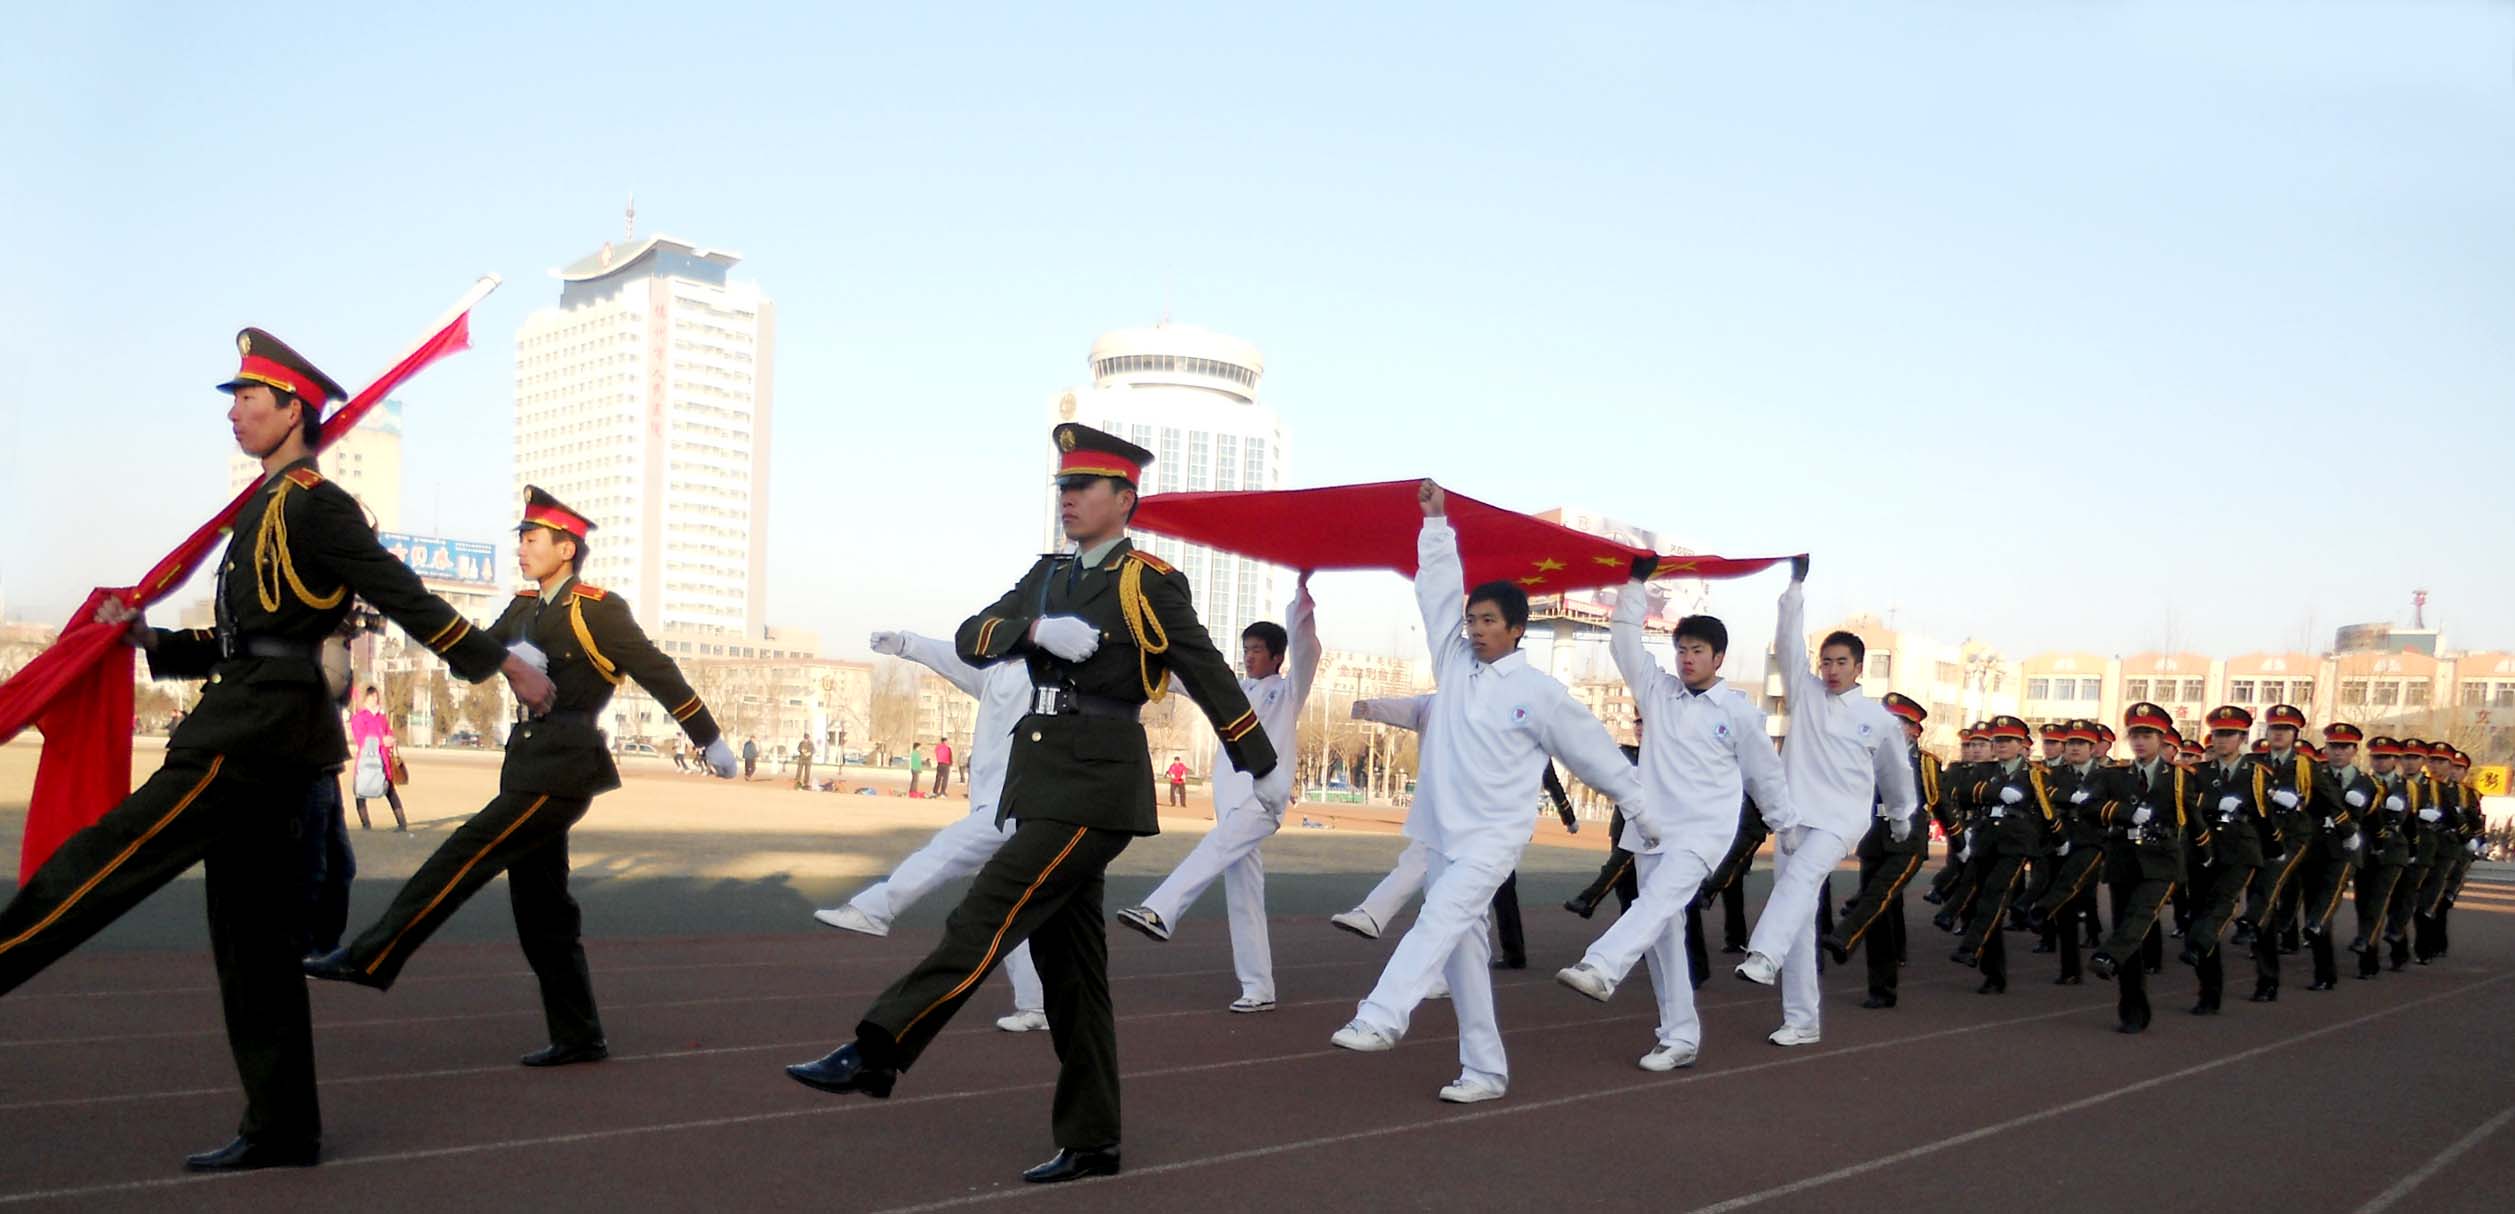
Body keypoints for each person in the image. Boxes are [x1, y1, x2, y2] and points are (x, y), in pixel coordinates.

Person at [0, 328, 551, 1172]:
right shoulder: (261, 507)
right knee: (253, 943)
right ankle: (284, 1126)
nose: (236, 412)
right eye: (234, 399)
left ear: (296, 409)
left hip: (252, 736)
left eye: (250, 397)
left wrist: (497, 660)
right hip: (266, 726)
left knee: (108, 860)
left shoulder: (313, 504)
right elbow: (240, 638)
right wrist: (149, 639)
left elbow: (396, 590)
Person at [783, 424, 1278, 1185]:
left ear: (1125, 498)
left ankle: (878, 1049)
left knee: (986, 909)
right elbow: (974, 635)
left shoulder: (1148, 582)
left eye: (1084, 487)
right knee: (1073, 977)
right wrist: (1037, 628)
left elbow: (1207, 673)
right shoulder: (1046, 577)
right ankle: (1093, 1140)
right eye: (1063, 487)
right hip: (1041, 775)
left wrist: (1261, 764)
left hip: (1098, 780)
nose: (1069, 498)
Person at [305, 488, 735, 1069]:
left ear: (566, 547)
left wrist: (707, 736)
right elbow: (473, 654)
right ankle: (579, 1034)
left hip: (563, 765)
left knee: (466, 849)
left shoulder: (595, 609)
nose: (522, 547)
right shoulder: (524, 608)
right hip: (528, 764)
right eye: (521, 538)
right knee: (542, 911)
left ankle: (371, 954)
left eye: (532, 538)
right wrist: (407, 603)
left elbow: (657, 669)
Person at [1326, 481, 1649, 1104]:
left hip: (1492, 841)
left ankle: (1381, 1016)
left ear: (1517, 630)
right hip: (1443, 832)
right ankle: (1485, 1070)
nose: (1474, 629)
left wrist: (1638, 806)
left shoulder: (1540, 694)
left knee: (1437, 919)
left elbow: (1595, 755)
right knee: (1465, 959)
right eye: (1472, 619)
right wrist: (1436, 526)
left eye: (1488, 621)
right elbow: (1438, 593)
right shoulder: (1452, 662)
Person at [1554, 567, 1794, 1069]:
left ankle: (1601, 965)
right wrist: (1635, 587)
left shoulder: (1739, 714)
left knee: (1657, 905)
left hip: (1702, 836)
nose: (1686, 659)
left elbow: (1766, 777)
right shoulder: (1658, 693)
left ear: (1719, 658)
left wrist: (1785, 825)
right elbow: (1623, 643)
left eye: (1697, 651)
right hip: (1651, 831)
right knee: (1663, 937)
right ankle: (1679, 1035)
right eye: (1682, 649)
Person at [812, 628, 1047, 1032]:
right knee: (1012, 911)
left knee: (944, 852)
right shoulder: (993, 674)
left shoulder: (1049, 675)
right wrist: (907, 645)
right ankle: (1037, 1006)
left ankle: (876, 909)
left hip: (1015, 806)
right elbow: (952, 660)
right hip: (996, 804)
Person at [1117, 578, 1320, 1012]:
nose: (1248, 657)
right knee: (1244, 896)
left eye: (1257, 650)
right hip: (1230, 805)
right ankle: (1258, 987)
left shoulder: (1287, 693)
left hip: (1262, 800)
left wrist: (1300, 602)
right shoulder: (1235, 693)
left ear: (1277, 657)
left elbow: (1307, 653)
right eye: (1245, 649)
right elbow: (1186, 683)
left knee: (1212, 851)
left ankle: (1161, 910)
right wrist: (1148, 660)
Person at [1728, 565, 1910, 1046]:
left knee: (1802, 881)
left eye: (1840, 662)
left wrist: (1903, 815)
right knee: (1803, 919)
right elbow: (1788, 642)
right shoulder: (1805, 694)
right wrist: (1794, 589)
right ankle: (1802, 1021)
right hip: (1793, 818)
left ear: (1858, 667)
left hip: (1840, 822)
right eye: (1825, 661)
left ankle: (1763, 955)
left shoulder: (1878, 720)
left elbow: (1896, 776)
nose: (1830, 670)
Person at [1820, 692, 1939, 1010]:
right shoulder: (1868, 757)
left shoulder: (1925, 763)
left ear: (1915, 729)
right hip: (1874, 841)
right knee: (1880, 917)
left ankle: (1843, 936)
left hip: (1908, 841)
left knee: (1877, 898)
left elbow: (1940, 803)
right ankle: (1881, 988)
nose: (1891, 727)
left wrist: (1959, 841)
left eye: (1899, 722)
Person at [2087, 703, 2194, 1033]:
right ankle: (2132, 1009)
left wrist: (2203, 856)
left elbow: (2195, 820)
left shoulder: (2179, 778)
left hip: (2162, 861)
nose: (2140, 742)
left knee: (2139, 919)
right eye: (2135, 735)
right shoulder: (2114, 776)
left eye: (2147, 735)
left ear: (2161, 738)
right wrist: (2124, 812)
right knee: (2126, 930)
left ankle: (2106, 957)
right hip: (2124, 861)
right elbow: (2089, 806)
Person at [1935, 716, 2050, 994]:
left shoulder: (2035, 773)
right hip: (1985, 837)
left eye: (2008, 740)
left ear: (2022, 744)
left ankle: (1970, 948)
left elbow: (2047, 808)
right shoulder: (1984, 770)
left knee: (1995, 894)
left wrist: (2055, 839)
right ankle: (1993, 970)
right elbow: (1957, 791)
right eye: (1997, 740)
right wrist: (1995, 791)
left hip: (2016, 841)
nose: (2001, 745)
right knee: (1977, 897)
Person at [2183, 706, 2267, 1015]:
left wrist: (2275, 851)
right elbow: (2189, 807)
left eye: (2229, 734)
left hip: (2241, 851)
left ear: (2243, 737)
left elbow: (2266, 815)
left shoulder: (2256, 772)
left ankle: (2198, 947)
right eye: (2218, 734)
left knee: (2220, 905)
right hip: (2204, 850)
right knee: (2200, 913)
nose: (2221, 740)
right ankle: (2208, 991)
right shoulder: (2199, 772)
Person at [2235, 704, 2319, 1002]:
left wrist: (2346, 832)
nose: (2278, 734)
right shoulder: (2252, 763)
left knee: (2268, 885)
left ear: (2296, 734)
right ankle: (2266, 978)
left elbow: (2328, 804)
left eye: (2284, 729)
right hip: (2259, 838)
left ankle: (2249, 920)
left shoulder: (2308, 767)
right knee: (2264, 904)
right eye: (2273, 729)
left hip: (2294, 839)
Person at [2301, 722, 2373, 990]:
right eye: (2333, 746)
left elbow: (2367, 813)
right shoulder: (2314, 775)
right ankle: (2324, 973)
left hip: (2344, 850)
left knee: (2327, 900)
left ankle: (2318, 927)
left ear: (2355, 750)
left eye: (2344, 747)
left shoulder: (2365, 781)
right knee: (2314, 914)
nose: (2338, 752)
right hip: (2314, 849)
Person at [348, 685, 406, 831]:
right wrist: (381, 740)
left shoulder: (382, 717)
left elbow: (389, 732)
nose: (375, 698)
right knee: (360, 791)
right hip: (366, 760)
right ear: (365, 698)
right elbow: (362, 739)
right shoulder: (359, 718)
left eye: (376, 695)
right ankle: (366, 824)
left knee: (390, 790)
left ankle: (402, 823)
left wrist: (391, 740)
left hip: (383, 759)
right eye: (372, 696)